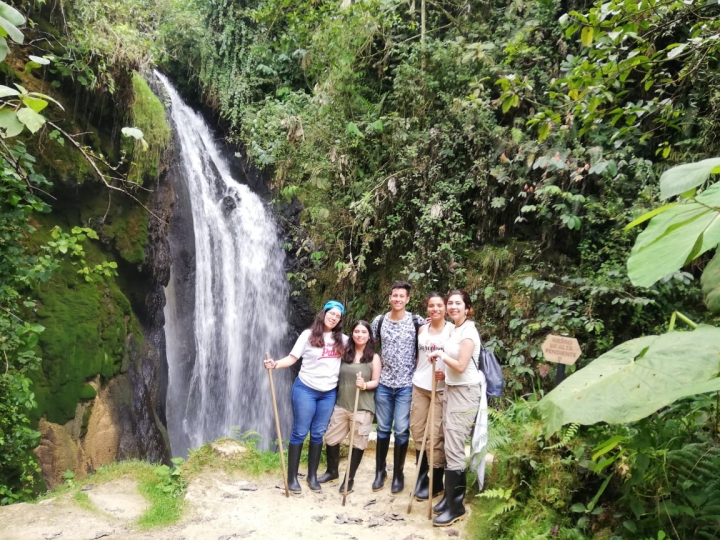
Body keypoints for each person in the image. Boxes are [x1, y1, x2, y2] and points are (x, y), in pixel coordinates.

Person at [264, 300, 347, 494]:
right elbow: (293, 358)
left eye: (337, 316)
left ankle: (311, 476)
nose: (333, 318)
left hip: (328, 392)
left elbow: (363, 346)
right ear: (324, 313)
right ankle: (292, 477)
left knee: (318, 433)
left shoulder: (343, 339)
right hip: (306, 389)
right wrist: (275, 364)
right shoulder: (308, 335)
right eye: (331, 314)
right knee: (300, 432)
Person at [428, 290, 484, 527]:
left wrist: (441, 354)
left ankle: (456, 506)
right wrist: (443, 370)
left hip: (465, 391)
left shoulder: (469, 332)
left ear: (467, 307)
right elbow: (454, 366)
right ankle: (450, 497)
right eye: (450, 303)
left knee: (454, 444)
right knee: (446, 437)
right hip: (451, 387)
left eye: (457, 303)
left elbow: (462, 365)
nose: (452, 306)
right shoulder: (455, 328)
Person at [371, 281, 426, 493]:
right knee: (383, 428)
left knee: (402, 430)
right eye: (395, 295)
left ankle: (398, 474)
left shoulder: (416, 321)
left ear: (408, 299)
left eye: (402, 296)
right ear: (390, 297)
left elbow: (429, 341)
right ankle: (380, 471)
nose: (398, 299)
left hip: (406, 384)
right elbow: (369, 343)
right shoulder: (380, 320)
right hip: (384, 383)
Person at [317, 321, 381, 493]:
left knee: (358, 443)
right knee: (331, 438)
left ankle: (349, 479)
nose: (359, 334)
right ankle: (332, 472)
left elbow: (376, 381)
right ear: (352, 334)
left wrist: (365, 385)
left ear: (369, 335)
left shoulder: (374, 357)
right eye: (356, 331)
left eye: (363, 332)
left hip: (362, 406)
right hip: (342, 404)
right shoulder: (344, 353)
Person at [410, 292, 453, 501]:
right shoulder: (422, 329)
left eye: (439, 305)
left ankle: (436, 483)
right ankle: (421, 477)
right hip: (420, 385)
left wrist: (446, 373)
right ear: (427, 309)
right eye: (431, 306)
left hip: (441, 388)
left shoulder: (453, 331)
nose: (435, 309)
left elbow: (460, 359)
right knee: (418, 430)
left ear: (445, 308)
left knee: (435, 436)